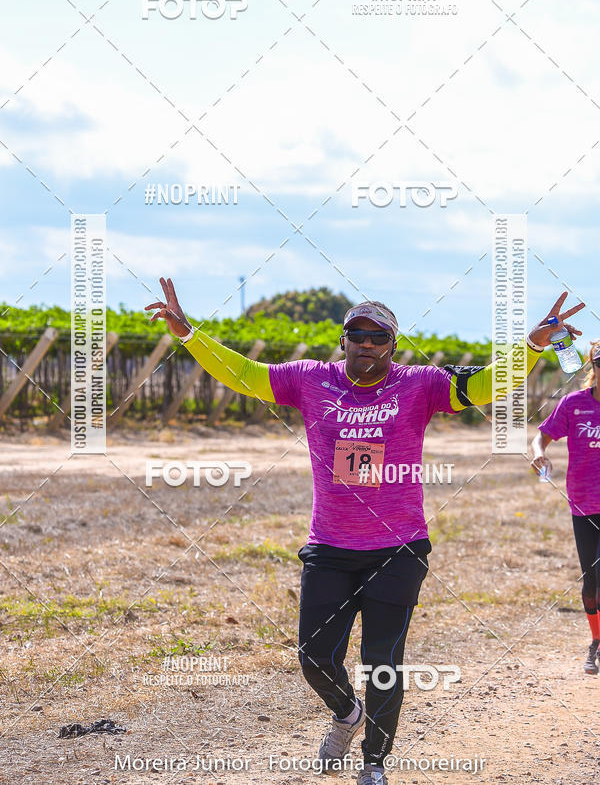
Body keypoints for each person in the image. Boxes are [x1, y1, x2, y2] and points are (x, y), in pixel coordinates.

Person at [146, 280, 583, 785]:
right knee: (313, 656)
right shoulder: (309, 379)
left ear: (392, 346)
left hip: (398, 549)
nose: (368, 343)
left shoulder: (419, 384)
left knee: (382, 663)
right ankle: (347, 714)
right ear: (343, 340)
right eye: (358, 333)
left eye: (379, 336)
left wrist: (530, 347)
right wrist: (189, 335)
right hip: (330, 547)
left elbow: (484, 385)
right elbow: (244, 374)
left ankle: (374, 763)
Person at [531, 340, 600, 675]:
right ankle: (595, 641)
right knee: (591, 582)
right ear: (593, 367)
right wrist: (537, 453)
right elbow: (541, 436)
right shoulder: (574, 404)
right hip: (584, 503)